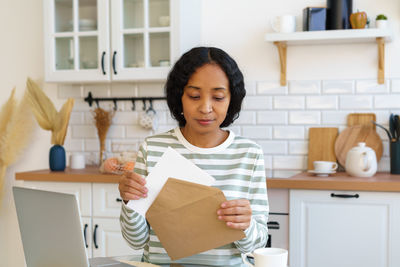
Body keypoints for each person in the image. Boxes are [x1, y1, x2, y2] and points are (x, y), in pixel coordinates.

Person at [118, 47, 269, 266]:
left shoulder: (249, 154)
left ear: (231, 99)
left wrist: (246, 224)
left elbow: (257, 246)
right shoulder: (153, 149)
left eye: (218, 97)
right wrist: (128, 202)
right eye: (194, 96)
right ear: (179, 96)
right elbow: (136, 240)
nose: (206, 108)